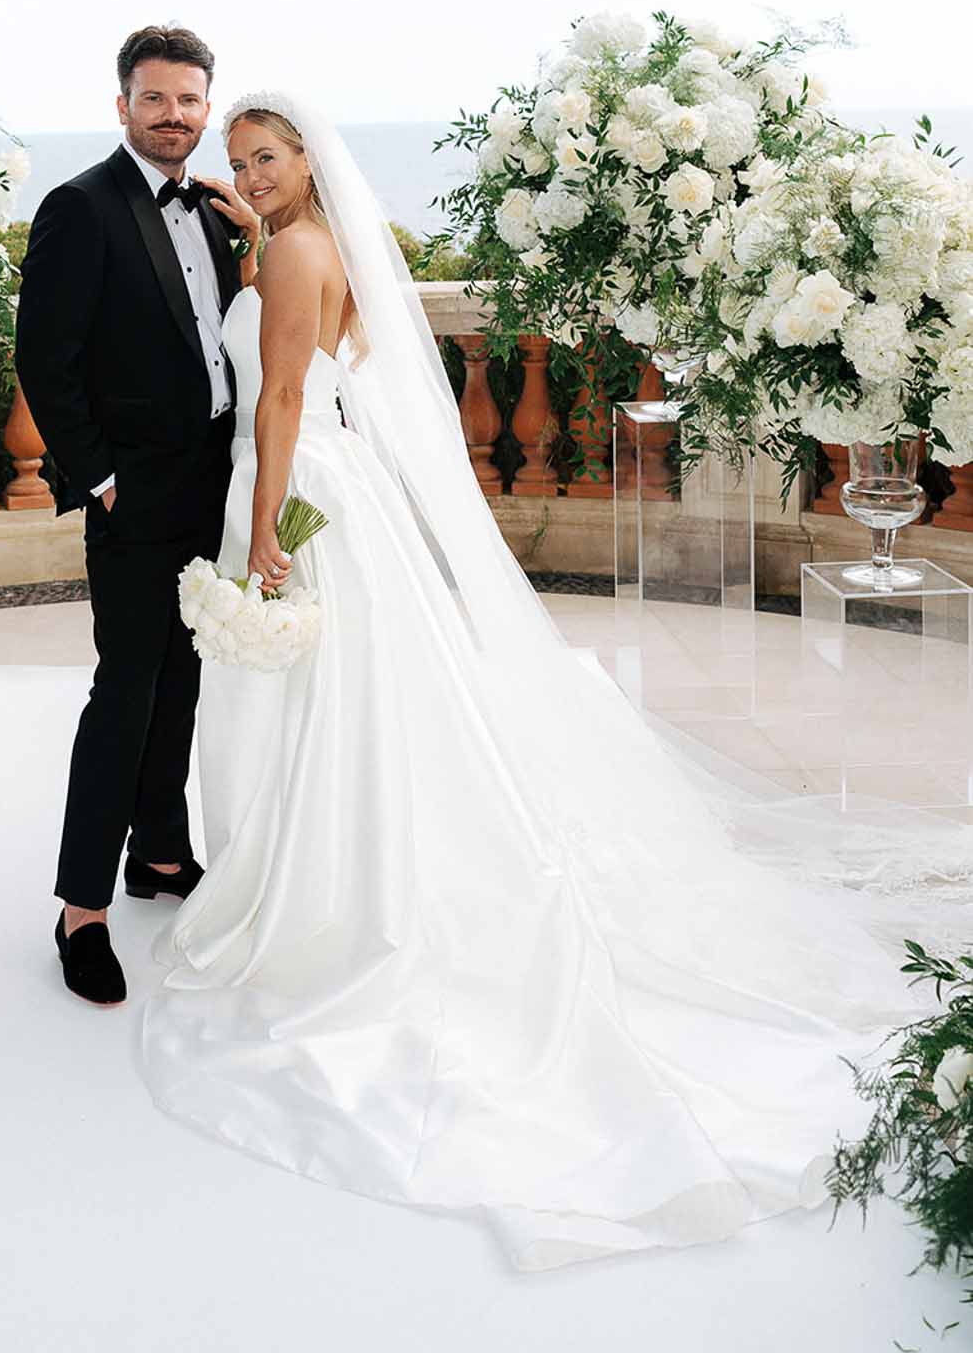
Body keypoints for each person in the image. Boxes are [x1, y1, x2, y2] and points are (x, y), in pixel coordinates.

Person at [138, 88, 973, 1272]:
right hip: (336, 478)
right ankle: (326, 853)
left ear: (311, 161)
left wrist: (265, 523)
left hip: (294, 486)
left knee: (322, 699)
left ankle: (322, 885)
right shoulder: (306, 248)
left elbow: (278, 395)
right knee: (358, 695)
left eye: (267, 157)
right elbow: (307, 347)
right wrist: (259, 228)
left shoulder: (291, 258)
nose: (254, 173)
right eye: (241, 161)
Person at [13, 25, 258, 1007]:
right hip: (135, 491)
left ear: (207, 106)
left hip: (215, 479)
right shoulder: (79, 208)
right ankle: (81, 909)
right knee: (125, 689)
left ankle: (159, 853)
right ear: (122, 105)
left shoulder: (213, 211)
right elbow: (45, 358)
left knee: (186, 674)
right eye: (154, 99)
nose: (173, 116)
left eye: (190, 101)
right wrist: (99, 476)